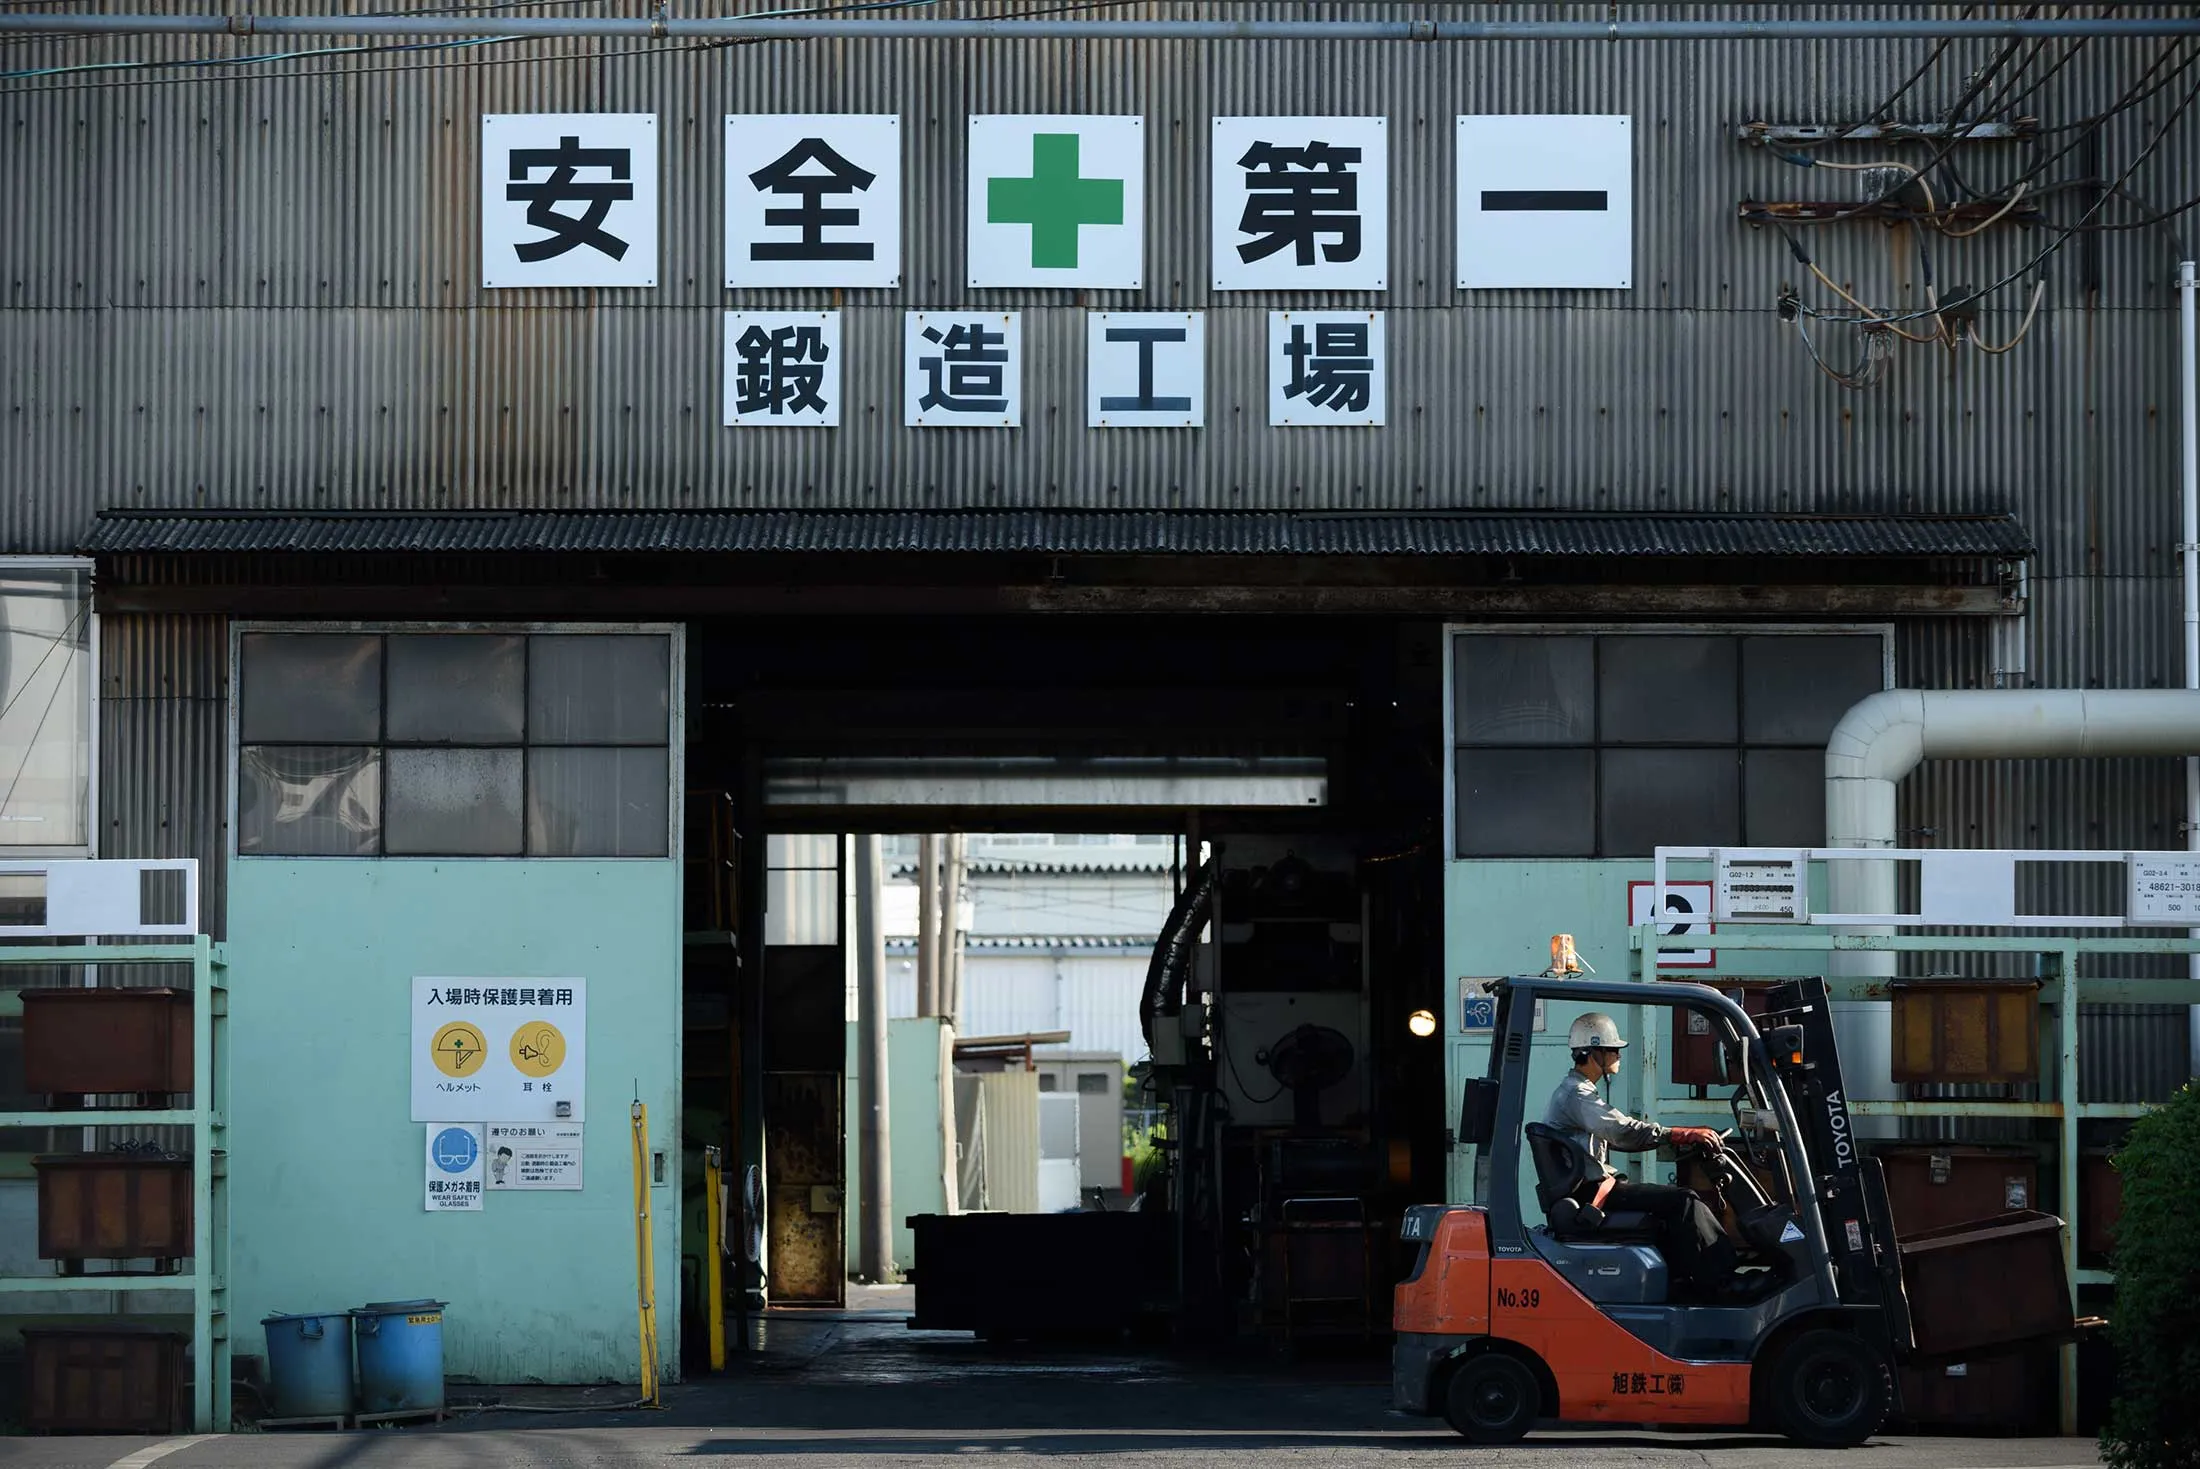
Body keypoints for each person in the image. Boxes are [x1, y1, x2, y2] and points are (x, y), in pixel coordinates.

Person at [1543, 1012, 1738, 1297]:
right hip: (1593, 1193)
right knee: (1685, 1201)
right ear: (1594, 1051)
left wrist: (1673, 1141)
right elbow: (1622, 1131)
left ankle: (1683, 1284)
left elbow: (1619, 1136)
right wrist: (1678, 1133)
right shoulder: (1576, 1094)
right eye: (1613, 1049)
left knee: (1671, 1209)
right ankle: (1725, 1284)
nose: (1618, 1054)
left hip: (1595, 1187)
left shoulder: (1580, 1091)